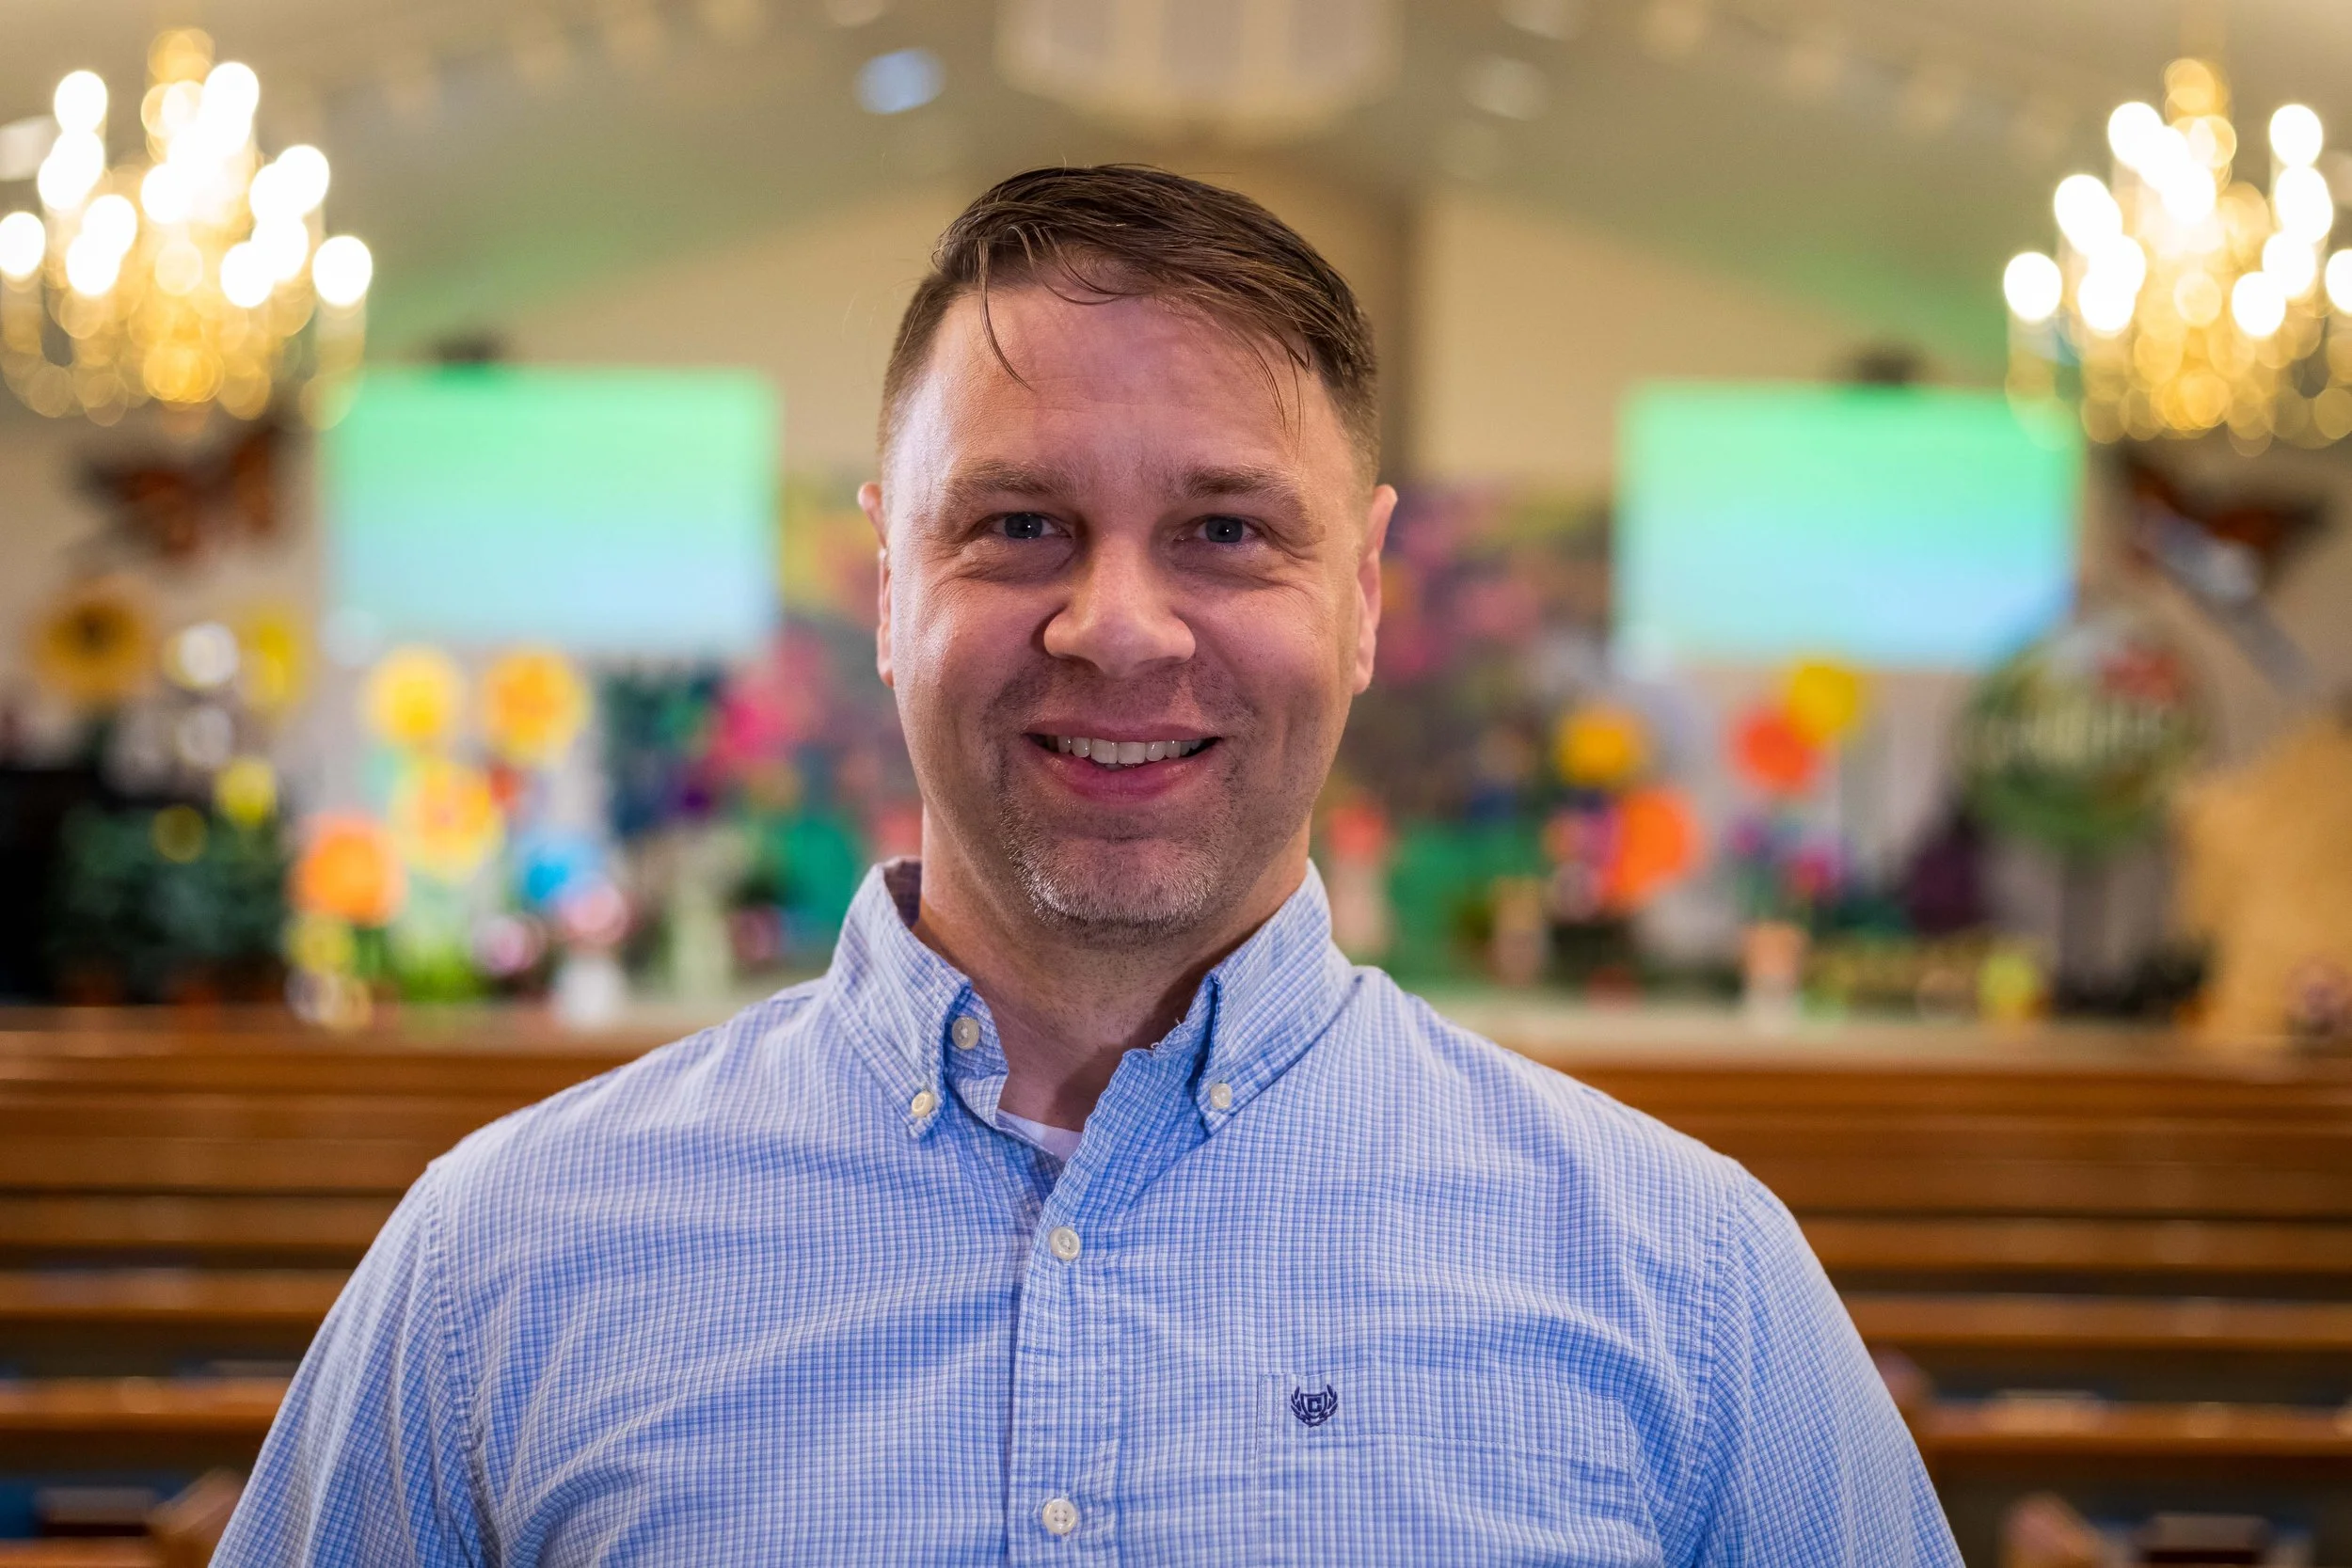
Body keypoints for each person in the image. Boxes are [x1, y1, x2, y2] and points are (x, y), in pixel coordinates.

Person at [216, 166, 1960, 1565]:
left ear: (1360, 597)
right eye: (1017, 523)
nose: (1116, 626)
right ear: (887, 589)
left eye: (1223, 530)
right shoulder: (502, 1265)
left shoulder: (1690, 1280)